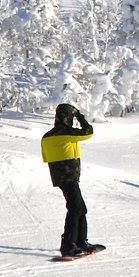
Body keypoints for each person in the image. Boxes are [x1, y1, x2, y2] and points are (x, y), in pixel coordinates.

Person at [42, 103, 103, 258]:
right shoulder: (67, 132)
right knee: (75, 208)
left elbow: (45, 157)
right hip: (69, 176)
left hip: (59, 176)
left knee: (80, 208)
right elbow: (88, 132)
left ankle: (81, 242)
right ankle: (68, 245)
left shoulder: (47, 136)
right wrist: (80, 116)